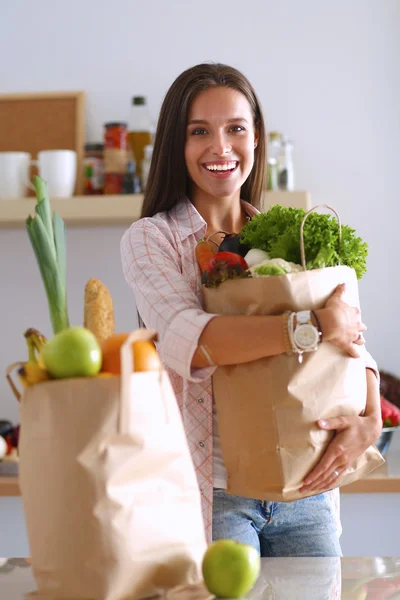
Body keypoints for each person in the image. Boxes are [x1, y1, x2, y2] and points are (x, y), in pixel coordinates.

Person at [120, 63, 382, 557]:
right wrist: (310, 327)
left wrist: (370, 418)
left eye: (236, 128)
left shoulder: (291, 236)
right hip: (212, 493)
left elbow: (350, 337)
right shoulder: (152, 241)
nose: (221, 147)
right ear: (177, 144)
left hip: (308, 484)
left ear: (256, 138)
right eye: (200, 131)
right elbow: (191, 341)